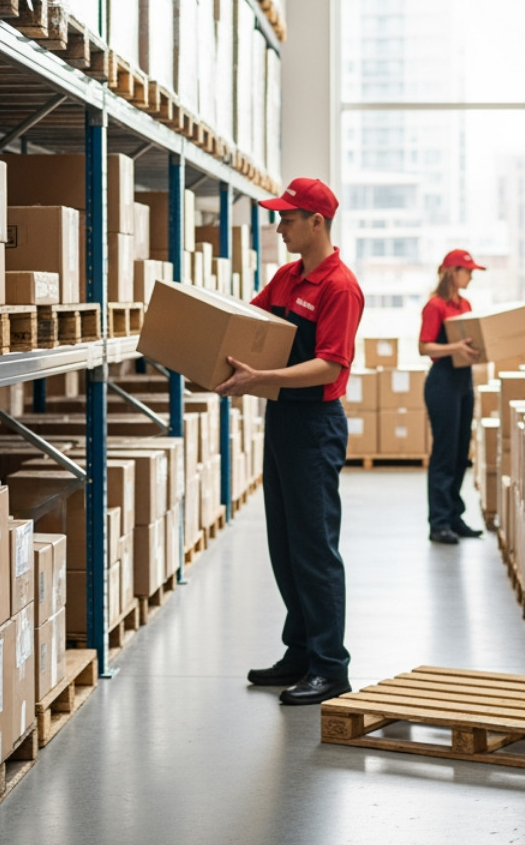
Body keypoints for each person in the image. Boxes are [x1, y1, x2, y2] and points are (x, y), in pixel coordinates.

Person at [213, 177, 365, 707]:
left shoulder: (339, 287)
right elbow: (244, 325)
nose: (280, 227)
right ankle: (299, 651)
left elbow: (330, 365)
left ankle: (330, 666)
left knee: (314, 547)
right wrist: (202, 356)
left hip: (315, 426)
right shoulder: (286, 279)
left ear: (317, 222)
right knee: (284, 543)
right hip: (283, 420)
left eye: (288, 218)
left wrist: (259, 381)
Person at [418, 249, 486, 544]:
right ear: (452, 272)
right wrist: (454, 348)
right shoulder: (435, 306)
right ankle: (439, 522)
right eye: (467, 271)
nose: (470, 276)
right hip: (442, 382)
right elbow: (424, 347)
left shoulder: (465, 303)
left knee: (461, 453)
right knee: (445, 454)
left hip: (463, 381)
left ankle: (455, 517)